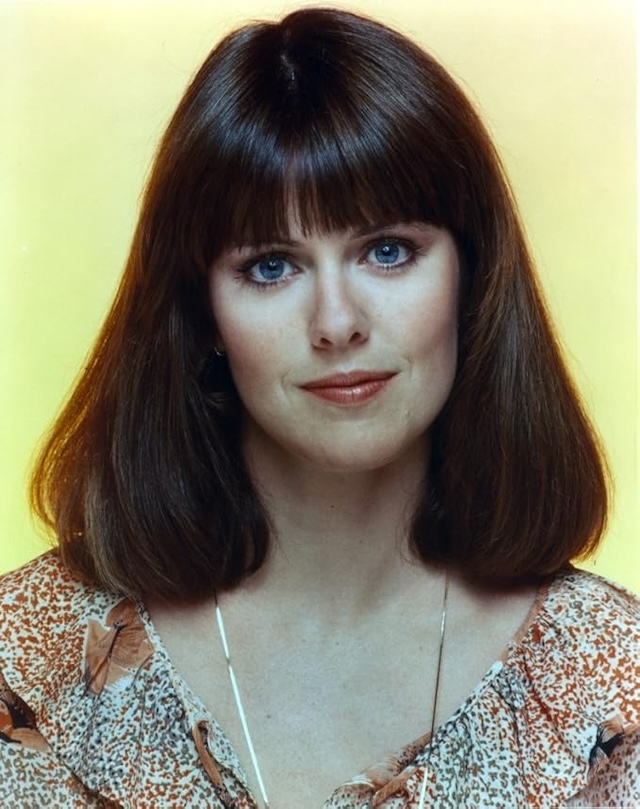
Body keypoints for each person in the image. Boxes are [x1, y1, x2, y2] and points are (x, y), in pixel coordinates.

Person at [0, 7, 637, 808]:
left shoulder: (611, 679)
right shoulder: (27, 662)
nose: (337, 323)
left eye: (387, 250)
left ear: (471, 276)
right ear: (202, 315)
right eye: (271, 266)